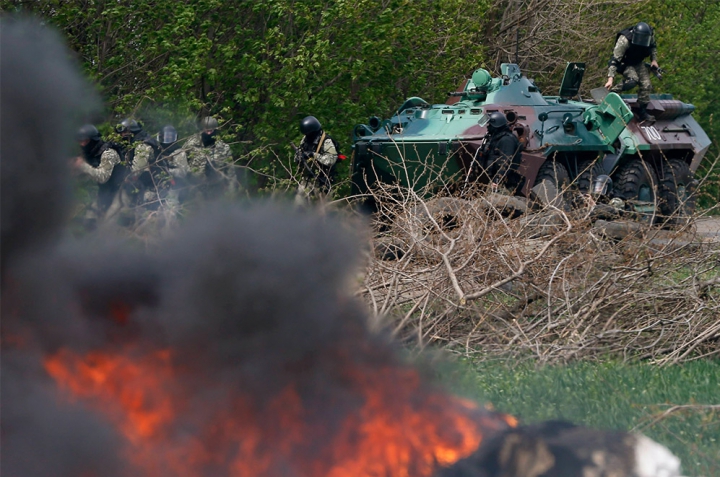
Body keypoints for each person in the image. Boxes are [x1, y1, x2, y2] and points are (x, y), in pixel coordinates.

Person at [604, 22, 660, 122]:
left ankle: (642, 111)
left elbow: (653, 47)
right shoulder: (625, 39)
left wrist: (654, 60)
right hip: (625, 62)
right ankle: (612, 92)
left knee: (646, 85)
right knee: (632, 80)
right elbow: (614, 60)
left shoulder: (649, 36)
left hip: (638, 62)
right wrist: (610, 79)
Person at [73, 124, 127, 224]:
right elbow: (87, 176)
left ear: (93, 140)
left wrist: (82, 166)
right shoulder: (91, 153)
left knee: (108, 223)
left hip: (120, 190)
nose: (83, 144)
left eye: (86, 141)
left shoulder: (108, 153)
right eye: (80, 141)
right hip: (105, 191)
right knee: (90, 220)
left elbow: (103, 177)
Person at [183, 116, 234, 198]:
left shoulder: (223, 148)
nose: (209, 133)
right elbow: (182, 161)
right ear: (202, 129)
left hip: (216, 190)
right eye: (207, 130)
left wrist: (231, 195)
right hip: (195, 190)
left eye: (211, 131)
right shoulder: (191, 144)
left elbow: (230, 172)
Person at [294, 115, 339, 205]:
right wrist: (299, 157)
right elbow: (299, 154)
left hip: (322, 180)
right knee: (299, 204)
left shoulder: (326, 141)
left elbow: (331, 160)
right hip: (307, 179)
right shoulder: (305, 140)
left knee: (324, 209)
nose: (307, 136)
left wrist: (313, 155)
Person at [477, 112, 523, 193]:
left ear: (496, 126)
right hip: (496, 180)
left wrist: (497, 179)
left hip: (505, 183)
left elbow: (505, 161)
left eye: (490, 125)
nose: (488, 127)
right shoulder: (495, 139)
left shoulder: (506, 140)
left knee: (496, 202)